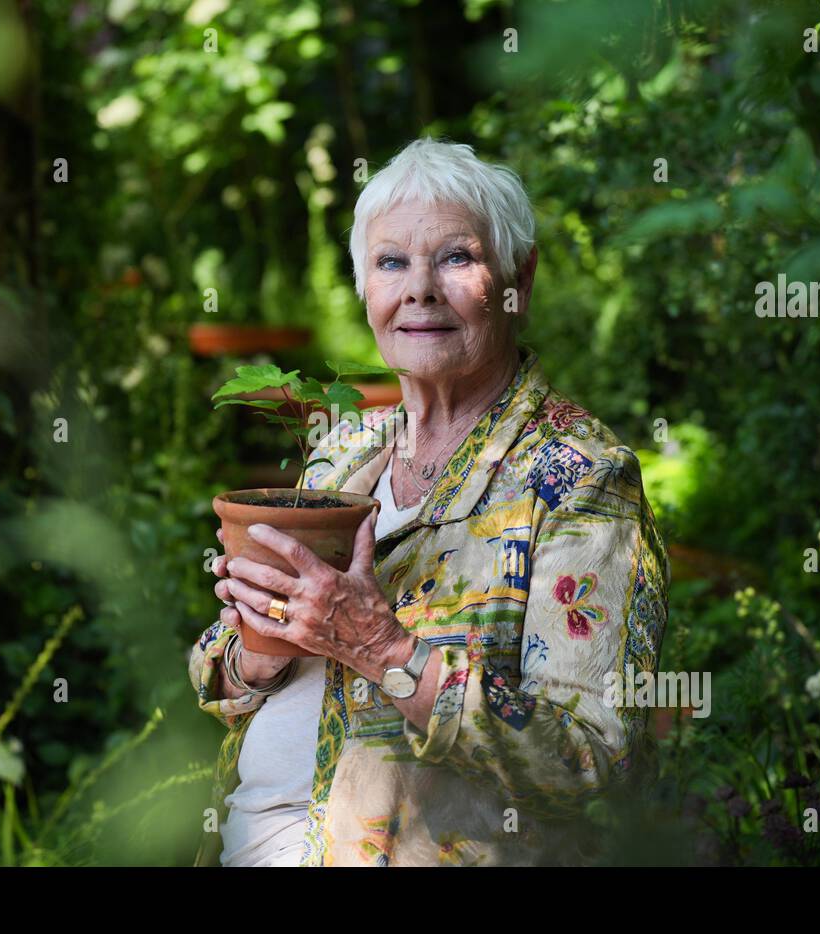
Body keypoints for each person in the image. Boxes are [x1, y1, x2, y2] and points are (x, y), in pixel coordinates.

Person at [188, 137, 669, 866]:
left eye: (454, 258)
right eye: (391, 263)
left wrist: (383, 649)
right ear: (365, 288)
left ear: (519, 279)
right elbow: (215, 676)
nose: (418, 289)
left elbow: (587, 761)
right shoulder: (344, 453)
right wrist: (254, 653)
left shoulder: (577, 479)